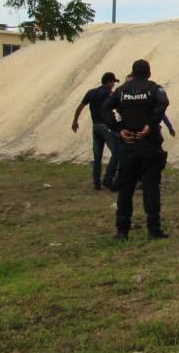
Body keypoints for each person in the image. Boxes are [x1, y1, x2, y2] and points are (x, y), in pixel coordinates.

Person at [102, 59, 171, 241]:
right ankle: (154, 229)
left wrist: (118, 128)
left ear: (132, 73)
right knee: (151, 188)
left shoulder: (122, 90)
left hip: (129, 144)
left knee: (125, 189)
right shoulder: (153, 88)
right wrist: (150, 124)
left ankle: (122, 230)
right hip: (149, 144)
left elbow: (105, 108)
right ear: (149, 73)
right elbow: (163, 102)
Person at [70, 71, 120, 191]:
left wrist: (75, 121)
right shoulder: (110, 93)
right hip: (106, 126)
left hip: (96, 126)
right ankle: (108, 179)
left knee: (97, 156)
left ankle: (96, 182)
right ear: (108, 82)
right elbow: (118, 107)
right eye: (113, 82)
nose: (113, 84)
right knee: (116, 152)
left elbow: (80, 107)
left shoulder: (91, 93)